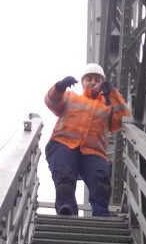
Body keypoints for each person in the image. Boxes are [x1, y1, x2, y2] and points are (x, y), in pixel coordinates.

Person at [44, 63, 131, 217]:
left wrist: (113, 94)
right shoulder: (70, 97)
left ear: (102, 83)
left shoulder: (107, 107)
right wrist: (59, 86)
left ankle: (101, 214)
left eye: (97, 79)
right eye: (89, 79)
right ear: (83, 82)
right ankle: (66, 209)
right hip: (63, 143)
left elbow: (123, 118)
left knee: (100, 182)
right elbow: (51, 101)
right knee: (64, 178)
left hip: (94, 151)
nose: (93, 82)